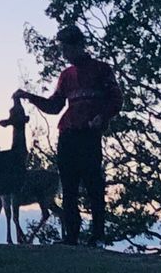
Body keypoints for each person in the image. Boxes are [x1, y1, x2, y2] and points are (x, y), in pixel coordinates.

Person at [13, 24, 123, 247]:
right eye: (62, 50)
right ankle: (71, 236)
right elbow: (55, 106)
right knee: (69, 187)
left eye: (67, 49)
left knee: (93, 185)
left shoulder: (101, 70)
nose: (65, 54)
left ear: (79, 46)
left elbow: (116, 98)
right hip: (68, 134)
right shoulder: (66, 76)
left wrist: (102, 116)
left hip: (89, 135)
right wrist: (29, 96)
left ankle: (97, 236)